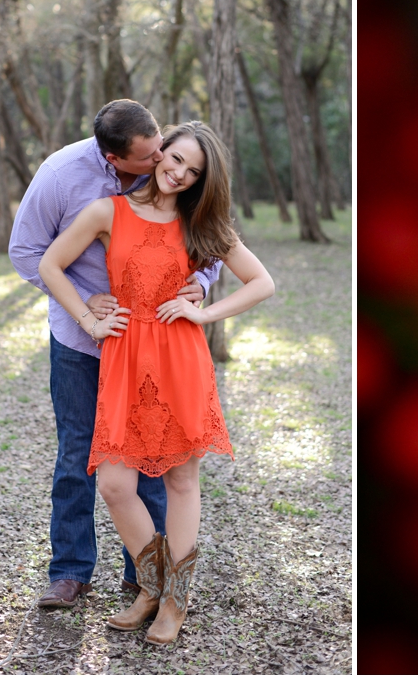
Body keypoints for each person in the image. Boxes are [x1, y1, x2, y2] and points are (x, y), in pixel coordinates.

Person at [38, 121, 274, 643]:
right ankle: (149, 584)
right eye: (176, 160)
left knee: (181, 480)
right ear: (160, 150)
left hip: (179, 356)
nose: (180, 174)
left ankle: (173, 601)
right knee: (115, 483)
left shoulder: (200, 222)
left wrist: (202, 315)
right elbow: (50, 263)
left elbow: (262, 282)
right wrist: (88, 319)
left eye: (193, 172)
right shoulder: (108, 211)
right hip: (124, 356)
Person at [9, 100, 221, 608]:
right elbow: (27, 253)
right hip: (83, 339)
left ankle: (145, 576)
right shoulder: (62, 176)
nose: (162, 166)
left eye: (162, 151)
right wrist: (86, 307)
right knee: (80, 454)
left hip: (154, 347)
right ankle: (70, 572)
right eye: (148, 159)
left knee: (153, 457)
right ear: (113, 158)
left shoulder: (176, 173)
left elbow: (208, 247)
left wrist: (199, 286)